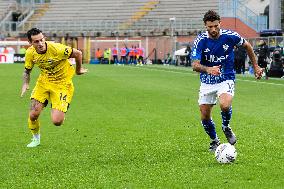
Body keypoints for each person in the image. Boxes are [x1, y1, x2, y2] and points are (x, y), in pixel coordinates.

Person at [191, 10, 263, 152]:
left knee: (224, 105)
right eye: (210, 27)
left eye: (216, 26)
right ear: (205, 26)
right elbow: (195, 65)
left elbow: (247, 46)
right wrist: (208, 69)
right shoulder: (200, 40)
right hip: (207, 81)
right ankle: (214, 140)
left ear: (220, 23)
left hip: (226, 77)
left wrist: (255, 66)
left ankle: (226, 126)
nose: (213, 29)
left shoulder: (230, 36)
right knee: (205, 116)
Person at [20, 28, 87, 148]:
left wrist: (78, 70)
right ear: (30, 43)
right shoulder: (30, 53)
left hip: (62, 84)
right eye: (36, 42)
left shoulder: (57, 49)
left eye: (41, 40)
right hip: (44, 83)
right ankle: (36, 139)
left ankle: (58, 105)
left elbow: (78, 53)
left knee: (57, 121)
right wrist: (25, 84)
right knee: (33, 115)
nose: (40, 44)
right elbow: (27, 71)